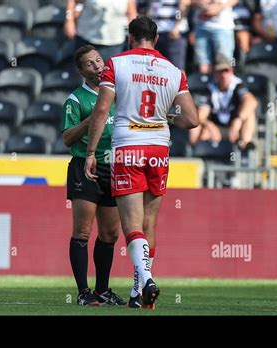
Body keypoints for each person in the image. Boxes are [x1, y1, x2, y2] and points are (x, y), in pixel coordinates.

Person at [84, 16, 198, 309]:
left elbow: (101, 110)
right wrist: (166, 116)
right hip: (159, 147)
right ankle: (137, 294)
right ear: (156, 39)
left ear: (130, 37)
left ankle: (146, 278)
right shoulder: (174, 71)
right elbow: (192, 119)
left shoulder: (116, 64)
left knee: (131, 225)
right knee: (149, 224)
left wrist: (91, 153)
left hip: (128, 145)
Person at [62, 45, 126, 307]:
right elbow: (67, 138)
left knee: (110, 234)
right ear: (81, 70)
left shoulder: (117, 94)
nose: (97, 66)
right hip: (84, 168)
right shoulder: (76, 100)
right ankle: (82, 292)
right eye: (90, 64)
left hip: (113, 168)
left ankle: (102, 290)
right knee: (83, 232)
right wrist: (90, 122)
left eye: (99, 60)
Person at [189, 53, 257, 150]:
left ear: (231, 71)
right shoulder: (210, 89)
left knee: (250, 112)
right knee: (198, 127)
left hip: (236, 128)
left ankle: (245, 145)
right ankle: (198, 152)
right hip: (218, 128)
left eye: (226, 71)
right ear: (215, 73)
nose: (224, 75)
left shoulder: (237, 86)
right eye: (220, 71)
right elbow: (201, 115)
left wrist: (238, 119)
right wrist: (210, 126)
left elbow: (252, 101)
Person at [64, 0, 137, 62]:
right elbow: (72, 1)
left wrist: (135, 34)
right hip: (87, 40)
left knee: (109, 75)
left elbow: (131, 14)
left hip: (114, 43)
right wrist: (69, 20)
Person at [191, 0, 238, 74]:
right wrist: (198, 2)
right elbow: (187, 2)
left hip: (223, 26)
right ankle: (207, 84)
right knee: (203, 65)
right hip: (201, 27)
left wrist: (220, 6)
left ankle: (226, 85)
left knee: (224, 65)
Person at [146, 0, 191, 71]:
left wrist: (176, 25)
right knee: (156, 69)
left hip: (173, 34)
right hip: (156, 32)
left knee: (177, 69)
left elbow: (183, 6)